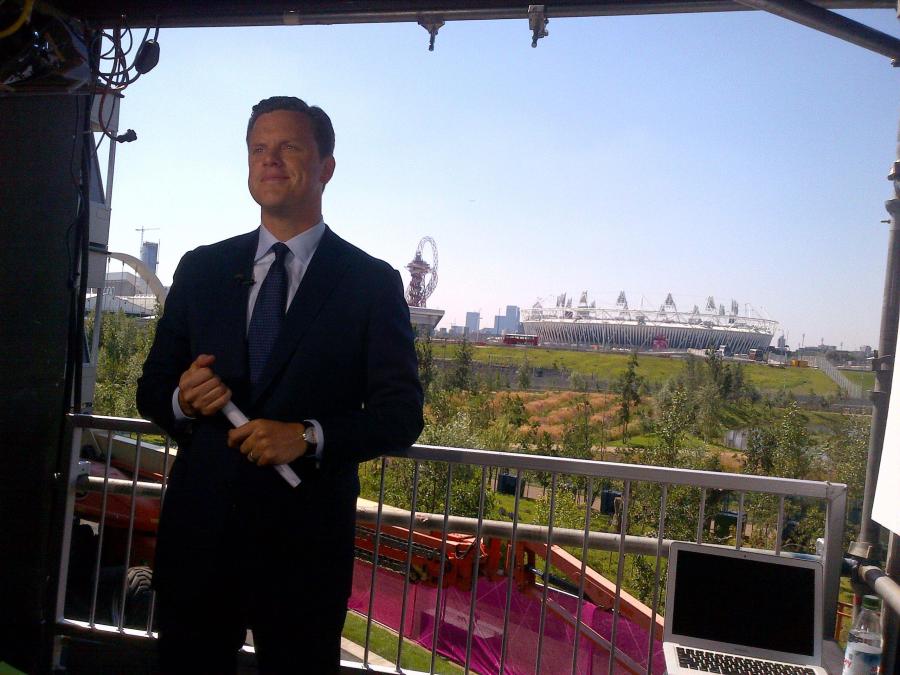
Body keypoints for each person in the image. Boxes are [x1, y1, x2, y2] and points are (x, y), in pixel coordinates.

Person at [136, 96, 424, 674]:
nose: (270, 160)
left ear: (326, 167)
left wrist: (309, 436)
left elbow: (400, 414)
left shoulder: (369, 282)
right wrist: (182, 400)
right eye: (258, 148)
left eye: (289, 146)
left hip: (304, 551)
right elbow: (152, 391)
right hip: (200, 542)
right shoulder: (201, 269)